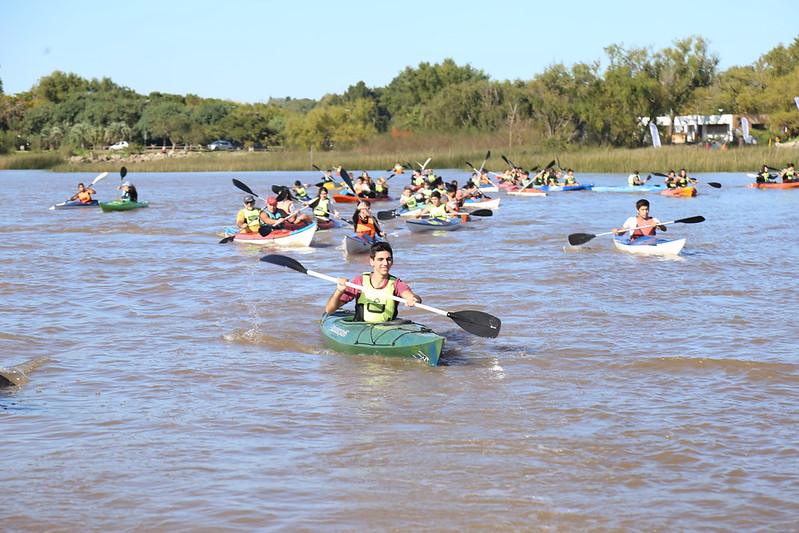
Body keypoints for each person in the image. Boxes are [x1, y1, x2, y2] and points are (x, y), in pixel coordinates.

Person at [325, 241, 421, 323]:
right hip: (361, 328)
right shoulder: (359, 281)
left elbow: (409, 295)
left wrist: (413, 299)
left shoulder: (396, 284)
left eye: (388, 259)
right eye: (380, 259)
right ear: (372, 261)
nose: (385, 263)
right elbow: (329, 309)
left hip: (386, 329)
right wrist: (339, 290)